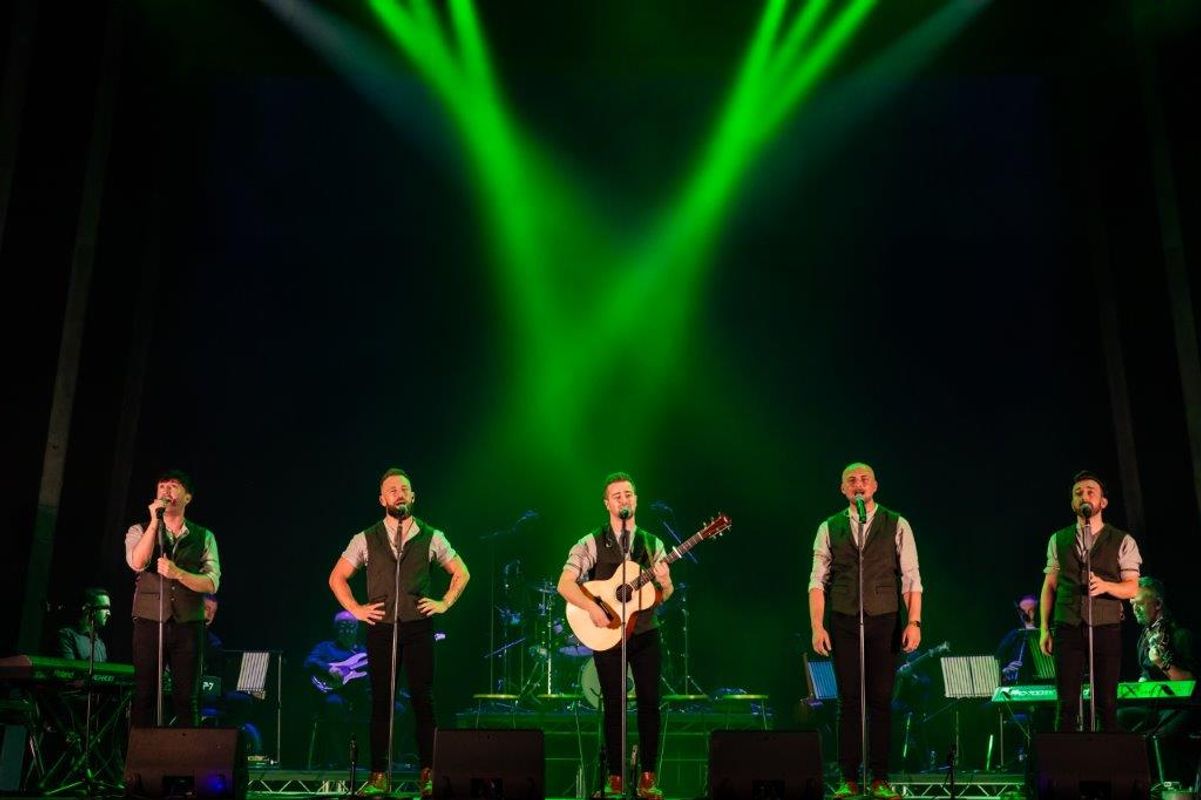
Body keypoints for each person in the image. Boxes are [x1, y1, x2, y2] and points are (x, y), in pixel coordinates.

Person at [327, 468, 470, 797]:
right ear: (382, 499)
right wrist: (357, 610)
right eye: (392, 490)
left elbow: (461, 572)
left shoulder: (432, 536)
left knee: (423, 699)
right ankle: (379, 775)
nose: (399, 493)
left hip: (418, 627)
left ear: (413, 496)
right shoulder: (365, 538)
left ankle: (428, 773)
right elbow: (337, 577)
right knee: (381, 702)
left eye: (404, 488)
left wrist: (445, 602)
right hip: (380, 629)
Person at [809, 462, 923, 800]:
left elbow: (912, 576)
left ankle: (880, 778)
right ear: (843, 489)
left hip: (884, 619)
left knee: (880, 701)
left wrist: (914, 621)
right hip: (843, 619)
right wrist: (817, 626)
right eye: (851, 481)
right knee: (849, 701)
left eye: (864, 480)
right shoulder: (829, 527)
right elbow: (817, 581)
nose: (858, 485)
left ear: (875, 485)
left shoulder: (896, 523)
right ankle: (848, 778)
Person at [557, 472, 672, 800]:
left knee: (650, 703)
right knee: (614, 705)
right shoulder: (590, 542)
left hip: (646, 632)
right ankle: (615, 778)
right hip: (607, 633)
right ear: (607, 503)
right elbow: (565, 584)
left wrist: (663, 580)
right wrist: (591, 607)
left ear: (636, 500)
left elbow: (668, 591)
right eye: (617, 495)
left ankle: (648, 777)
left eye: (629, 494)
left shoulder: (652, 543)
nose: (624, 499)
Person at [1038, 470, 1140, 733]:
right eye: (1078, 492)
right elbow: (1050, 586)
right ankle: (1065, 770)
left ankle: (1106, 768)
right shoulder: (1058, 539)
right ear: (1073, 502)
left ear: (1102, 502)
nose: (1084, 495)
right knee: (1067, 704)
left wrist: (1106, 585)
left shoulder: (1122, 540)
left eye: (1090, 491)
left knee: (1106, 703)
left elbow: (1132, 588)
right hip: (1067, 626)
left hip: (1105, 626)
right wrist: (1044, 628)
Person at [124, 469, 221, 727]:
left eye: (173, 486)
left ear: (187, 497)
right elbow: (138, 562)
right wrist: (154, 522)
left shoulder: (204, 536)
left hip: (188, 624)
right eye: (162, 486)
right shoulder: (139, 529)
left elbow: (212, 581)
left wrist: (179, 573)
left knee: (187, 697)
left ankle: (186, 762)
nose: (166, 491)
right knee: (145, 694)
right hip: (148, 622)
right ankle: (142, 761)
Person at [1119, 577, 1197, 737]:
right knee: (1117, 717)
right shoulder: (1144, 638)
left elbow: (1190, 684)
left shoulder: (1180, 636)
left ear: (1158, 604)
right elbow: (1145, 674)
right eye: (1132, 604)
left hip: (1179, 708)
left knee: (1161, 736)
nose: (1135, 610)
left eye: (1140, 604)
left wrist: (1161, 662)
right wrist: (1139, 687)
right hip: (1153, 707)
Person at [304, 611, 370, 768]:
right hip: (333, 695)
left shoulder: (364, 651)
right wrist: (328, 668)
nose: (346, 630)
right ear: (335, 628)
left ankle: (374, 760)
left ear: (356, 628)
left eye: (350, 627)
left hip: (359, 696)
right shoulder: (325, 647)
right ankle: (340, 760)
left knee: (395, 708)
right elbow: (309, 662)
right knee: (334, 705)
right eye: (342, 626)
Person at [57, 587, 112, 663]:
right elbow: (69, 670)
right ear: (87, 609)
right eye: (105, 608)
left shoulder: (100, 644)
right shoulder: (68, 635)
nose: (109, 613)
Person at [996, 595, 1039, 685]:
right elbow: (997, 660)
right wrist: (1005, 670)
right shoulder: (1013, 636)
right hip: (1018, 684)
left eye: (1032, 610)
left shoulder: (1048, 634)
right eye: (1023, 612)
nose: (1026, 614)